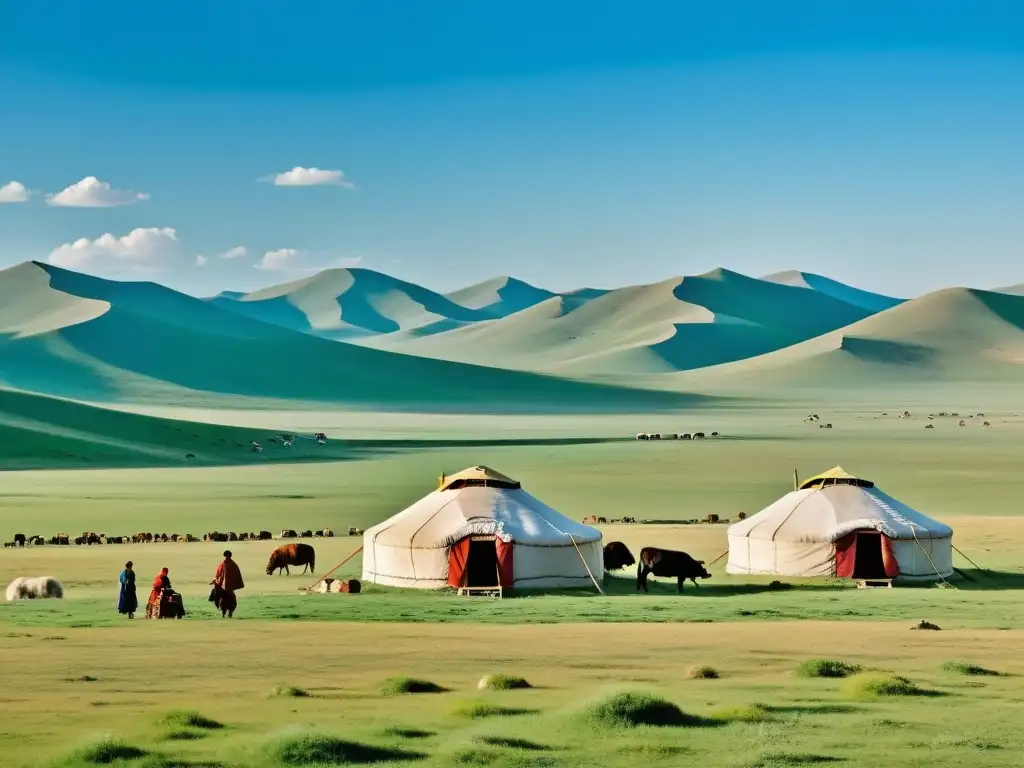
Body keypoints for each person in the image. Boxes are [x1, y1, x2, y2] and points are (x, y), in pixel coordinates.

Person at [211, 550, 244, 618]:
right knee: (232, 598)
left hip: (223, 587)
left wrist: (215, 581)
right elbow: (237, 575)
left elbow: (218, 574)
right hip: (230, 587)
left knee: (216, 593)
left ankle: (222, 611)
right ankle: (230, 612)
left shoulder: (223, 564)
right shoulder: (233, 564)